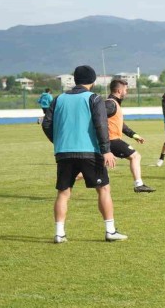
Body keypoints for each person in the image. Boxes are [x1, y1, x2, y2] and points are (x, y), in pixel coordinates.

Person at [41, 65, 127, 243]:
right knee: (103, 189)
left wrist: (59, 142)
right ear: (93, 81)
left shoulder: (58, 99)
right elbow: (101, 124)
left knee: (63, 193)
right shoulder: (94, 98)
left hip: (64, 152)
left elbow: (46, 124)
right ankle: (110, 231)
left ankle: (59, 234)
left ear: (75, 80)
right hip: (90, 152)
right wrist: (106, 150)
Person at [105, 79, 155, 193]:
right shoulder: (110, 104)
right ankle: (139, 185)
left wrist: (134, 135)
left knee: (94, 169)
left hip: (110, 141)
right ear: (119, 90)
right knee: (135, 156)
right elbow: (96, 118)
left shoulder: (114, 104)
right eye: (126, 90)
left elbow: (121, 125)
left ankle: (67, 181)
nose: (126, 92)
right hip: (111, 140)